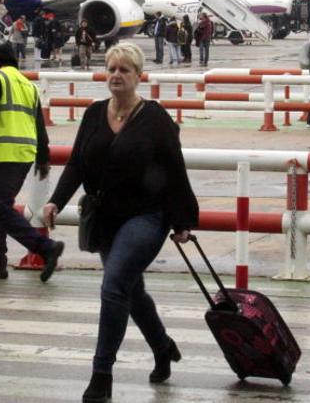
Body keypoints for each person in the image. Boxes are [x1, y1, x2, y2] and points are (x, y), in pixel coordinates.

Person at [42, 42, 198, 403]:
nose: (115, 75)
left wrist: (183, 220)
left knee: (113, 287)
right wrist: (55, 200)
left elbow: (175, 171)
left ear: (138, 77)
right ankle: (162, 347)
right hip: (106, 219)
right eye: (111, 69)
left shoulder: (156, 119)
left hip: (147, 216)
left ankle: (101, 376)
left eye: (124, 70)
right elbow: (78, 164)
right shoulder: (95, 114)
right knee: (131, 290)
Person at [0, 42, 66, 281]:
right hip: (25, 155)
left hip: (3, 153)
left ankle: (45, 247)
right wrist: (43, 156)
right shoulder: (27, 85)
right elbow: (39, 124)